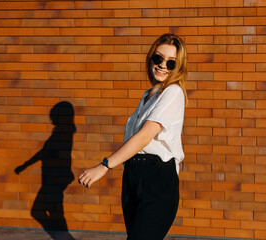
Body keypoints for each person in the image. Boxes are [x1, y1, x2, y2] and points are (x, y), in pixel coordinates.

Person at [78, 33, 188, 240]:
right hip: (133, 177)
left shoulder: (173, 92)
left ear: (178, 68)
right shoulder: (148, 95)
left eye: (171, 63)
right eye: (158, 58)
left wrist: (103, 166)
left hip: (157, 179)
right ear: (151, 58)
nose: (163, 65)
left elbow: (144, 137)